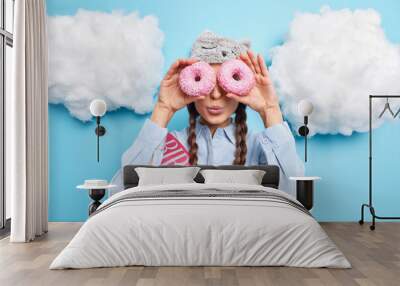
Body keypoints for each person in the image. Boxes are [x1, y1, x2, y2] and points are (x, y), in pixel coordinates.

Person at [110, 31, 304, 196]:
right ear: (191, 85)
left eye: (225, 83)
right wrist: (163, 108)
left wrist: (270, 110)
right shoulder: (167, 146)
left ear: (242, 88)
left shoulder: (259, 146)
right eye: (207, 83)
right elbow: (119, 192)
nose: (216, 94)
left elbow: (296, 196)